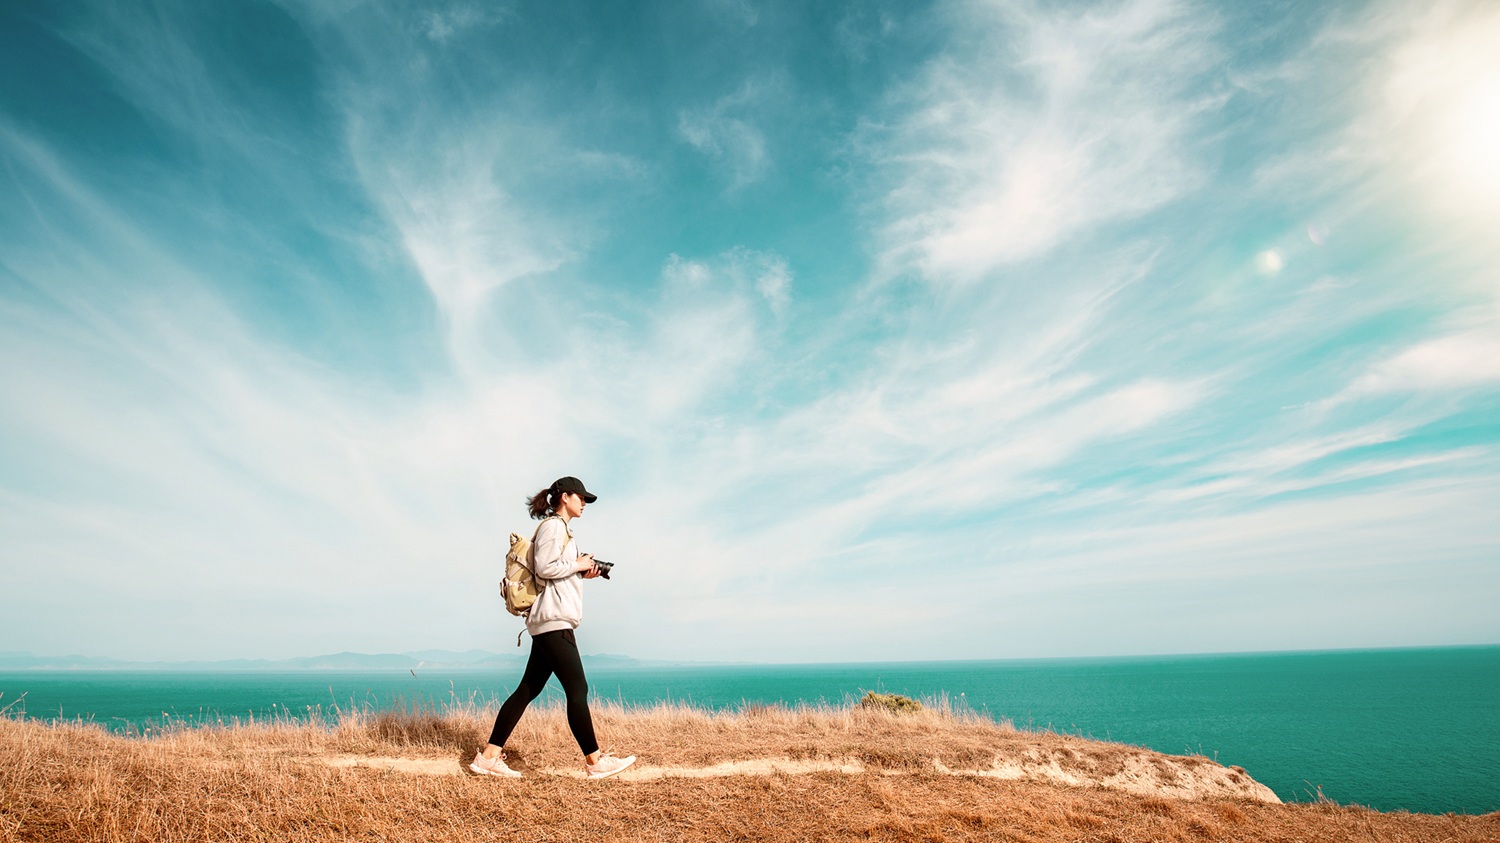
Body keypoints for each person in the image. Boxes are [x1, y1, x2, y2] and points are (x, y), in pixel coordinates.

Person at [469, 476, 637, 780]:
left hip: (550, 620)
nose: (584, 503)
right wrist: (577, 564)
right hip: (553, 621)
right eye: (581, 498)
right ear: (565, 497)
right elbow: (545, 567)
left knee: (527, 690)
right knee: (577, 689)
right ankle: (595, 762)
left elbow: (553, 573)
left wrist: (582, 572)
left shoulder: (562, 531)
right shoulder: (553, 527)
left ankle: (489, 757)